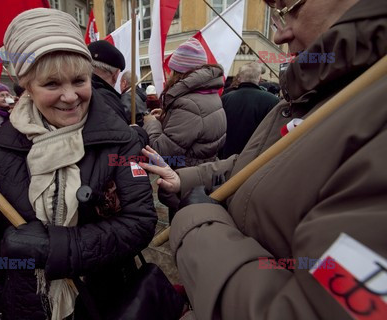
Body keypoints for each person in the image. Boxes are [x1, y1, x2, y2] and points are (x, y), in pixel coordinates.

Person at [139, 0, 387, 318]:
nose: (281, 33)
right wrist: (185, 180)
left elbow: (305, 310)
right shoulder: (304, 99)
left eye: (290, 5)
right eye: (276, 14)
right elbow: (252, 165)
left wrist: (197, 221)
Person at [0, 8, 156, 320]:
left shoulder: (121, 141)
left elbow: (139, 224)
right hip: (25, 305)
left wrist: (53, 247)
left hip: (106, 301)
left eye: (79, 80)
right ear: (26, 86)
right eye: (52, 84)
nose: (71, 96)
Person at [142, 37, 226, 222]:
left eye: (172, 70)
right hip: (200, 180)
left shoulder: (189, 104)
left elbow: (161, 151)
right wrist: (165, 116)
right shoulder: (208, 95)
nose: (169, 74)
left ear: (180, 73)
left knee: (184, 233)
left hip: (185, 186)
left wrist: (150, 122)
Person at [219, 62, 279, 159]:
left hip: (226, 156)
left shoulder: (225, 98)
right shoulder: (272, 100)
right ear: (259, 79)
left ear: (239, 78)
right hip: (254, 158)